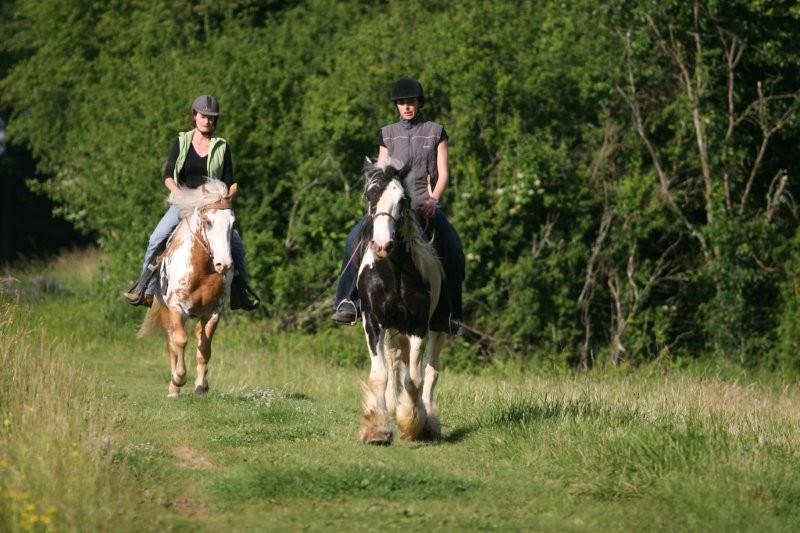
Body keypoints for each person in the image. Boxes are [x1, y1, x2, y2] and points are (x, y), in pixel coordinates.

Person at [331, 78, 464, 332]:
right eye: (402, 103)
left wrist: (434, 199)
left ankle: (450, 315)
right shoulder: (387, 133)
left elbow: (444, 173)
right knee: (352, 240)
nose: (406, 107)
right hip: (390, 210)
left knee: (454, 249)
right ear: (396, 106)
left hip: (424, 206)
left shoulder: (436, 131)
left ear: (418, 103)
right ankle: (347, 301)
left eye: (411, 102)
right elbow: (380, 172)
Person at [123, 94, 259, 311]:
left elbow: (228, 180)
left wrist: (228, 196)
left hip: (211, 206)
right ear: (194, 117)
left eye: (212, 118)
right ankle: (145, 289)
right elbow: (168, 174)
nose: (208, 121)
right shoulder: (181, 142)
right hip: (184, 203)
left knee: (237, 245)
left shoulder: (222, 147)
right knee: (156, 238)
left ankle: (239, 293)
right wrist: (177, 193)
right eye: (204, 116)